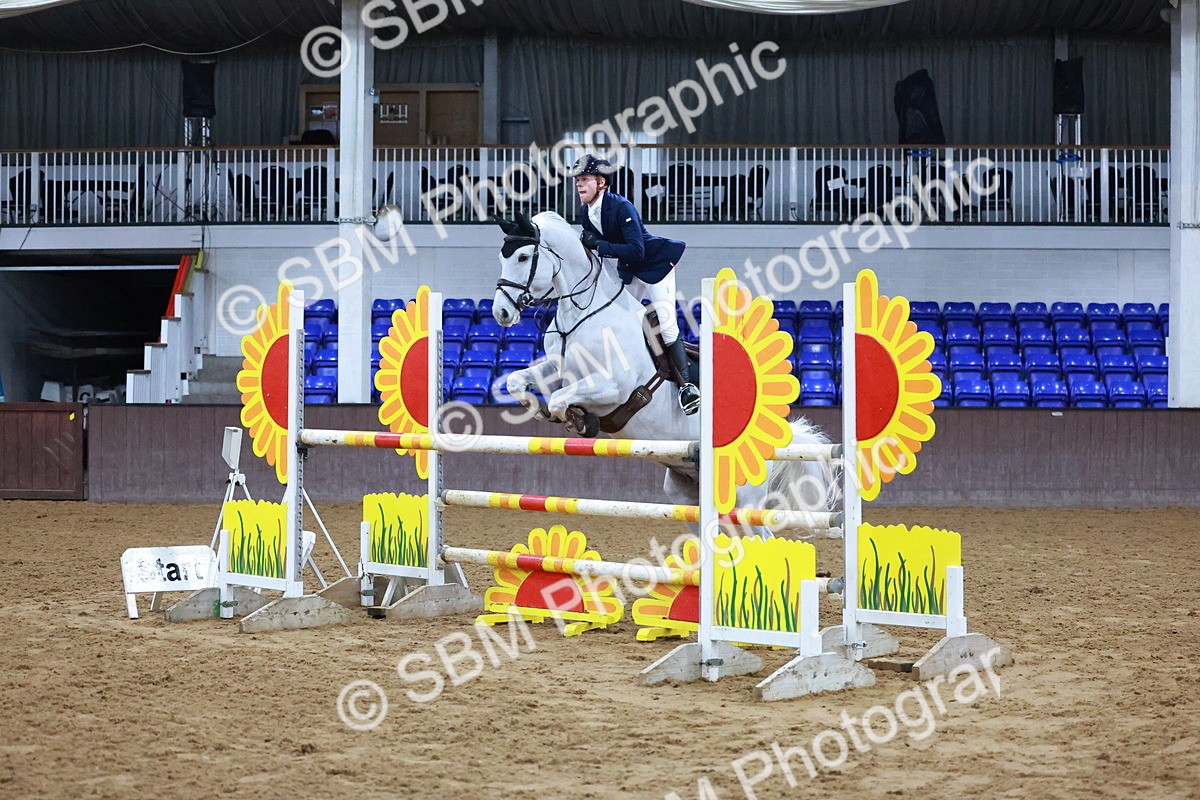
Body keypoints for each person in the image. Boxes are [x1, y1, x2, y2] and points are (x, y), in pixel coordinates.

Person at [569, 154, 700, 415]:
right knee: (619, 319)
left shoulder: (621, 207)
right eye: (577, 180)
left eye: (584, 180)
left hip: (654, 266)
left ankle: (687, 387)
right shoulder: (586, 212)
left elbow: (636, 250)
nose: (579, 185)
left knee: (666, 321)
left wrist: (600, 246)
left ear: (602, 183)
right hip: (629, 269)